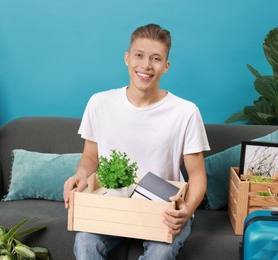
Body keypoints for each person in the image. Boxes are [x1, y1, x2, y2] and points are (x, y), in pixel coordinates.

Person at [63, 23, 210, 260]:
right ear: (127, 58)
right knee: (85, 243)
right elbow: (91, 157)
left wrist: (187, 209)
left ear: (166, 66)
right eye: (139, 56)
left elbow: (198, 176)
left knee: (160, 254)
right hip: (112, 206)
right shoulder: (100, 103)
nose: (146, 65)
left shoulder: (186, 112)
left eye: (156, 59)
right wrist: (81, 175)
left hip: (162, 211)